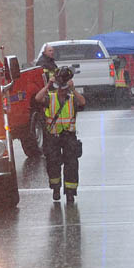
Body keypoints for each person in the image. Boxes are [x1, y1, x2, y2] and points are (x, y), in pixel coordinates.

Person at [35, 66, 86, 202]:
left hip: (69, 135)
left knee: (71, 164)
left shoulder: (72, 98)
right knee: (53, 163)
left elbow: (83, 102)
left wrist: (73, 89)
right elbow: (38, 98)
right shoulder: (50, 98)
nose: (62, 90)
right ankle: (56, 188)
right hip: (53, 135)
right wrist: (48, 85)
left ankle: (70, 192)